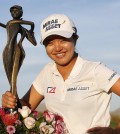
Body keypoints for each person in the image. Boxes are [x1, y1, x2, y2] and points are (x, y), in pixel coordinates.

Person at [2, 14, 120, 134]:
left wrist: (115, 131)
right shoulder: (47, 72)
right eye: (50, 43)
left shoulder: (95, 70)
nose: (57, 48)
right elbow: (27, 105)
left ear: (75, 39)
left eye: (63, 40)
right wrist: (12, 100)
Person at [0, 5, 36, 98]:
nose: (14, 13)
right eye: (12, 11)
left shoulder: (21, 28)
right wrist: (31, 27)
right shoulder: (10, 23)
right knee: (10, 78)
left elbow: (34, 43)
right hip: (8, 50)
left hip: (18, 51)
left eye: (17, 11)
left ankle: (15, 102)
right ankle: (15, 103)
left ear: (21, 12)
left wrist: (31, 33)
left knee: (13, 78)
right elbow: (31, 23)